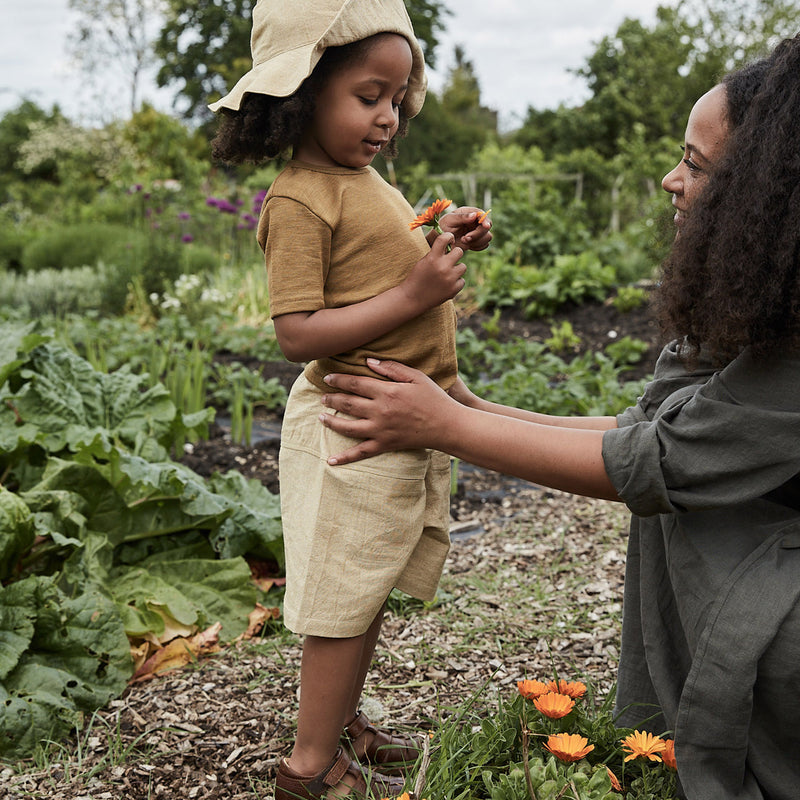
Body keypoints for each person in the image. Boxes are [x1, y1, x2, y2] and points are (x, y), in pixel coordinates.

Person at [318, 34, 800, 800]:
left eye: (698, 167)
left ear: (772, 198)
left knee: (695, 505)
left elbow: (663, 462)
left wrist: (446, 426)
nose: (670, 179)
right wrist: (471, 407)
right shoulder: (773, 297)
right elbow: (650, 428)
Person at [209, 1, 492, 798]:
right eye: (369, 96)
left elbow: (383, 265)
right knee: (338, 603)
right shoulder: (300, 198)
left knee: (362, 591)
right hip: (348, 428)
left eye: (397, 100)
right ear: (302, 93)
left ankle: (341, 726)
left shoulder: (361, 180)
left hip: (390, 419)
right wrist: (416, 291)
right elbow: (299, 335)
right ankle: (308, 767)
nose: (388, 118)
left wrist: (443, 234)